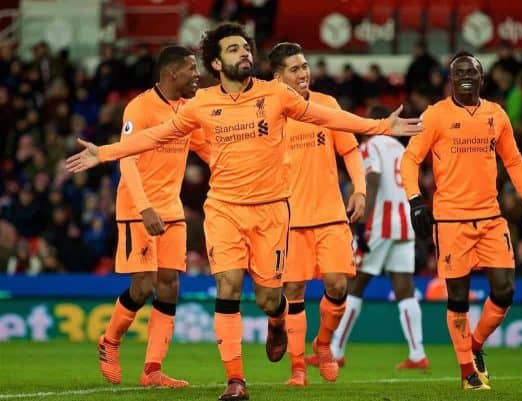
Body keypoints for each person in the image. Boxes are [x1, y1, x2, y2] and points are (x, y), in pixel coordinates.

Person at [66, 23, 422, 401]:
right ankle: (235, 380)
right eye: (235, 49)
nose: (245, 54)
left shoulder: (276, 95)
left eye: (246, 48)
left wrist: (382, 126)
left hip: (271, 213)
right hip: (223, 211)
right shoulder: (200, 103)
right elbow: (155, 136)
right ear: (217, 63)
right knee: (228, 287)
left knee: (270, 298)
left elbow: (328, 118)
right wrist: (104, 152)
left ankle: (277, 321)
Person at [400, 52, 522, 390]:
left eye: (472, 71)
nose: (465, 75)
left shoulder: (496, 114)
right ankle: (468, 371)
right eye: (458, 71)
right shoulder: (435, 115)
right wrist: (415, 200)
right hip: (451, 221)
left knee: (505, 290)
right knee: (459, 298)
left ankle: (475, 344)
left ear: (482, 78)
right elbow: (410, 159)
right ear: (451, 79)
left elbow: (515, 160)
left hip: (491, 217)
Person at [95, 46, 209, 388]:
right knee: (143, 286)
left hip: (171, 210)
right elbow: (126, 159)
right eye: (192, 69)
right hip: (136, 209)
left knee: (170, 286)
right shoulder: (140, 107)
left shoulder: (188, 108)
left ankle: (152, 370)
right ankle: (110, 341)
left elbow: (206, 147)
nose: (197, 75)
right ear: (172, 74)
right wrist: (144, 208)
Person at [267, 42, 366, 386]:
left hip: (330, 214)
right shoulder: (268, 114)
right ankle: (297, 368)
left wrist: (360, 189)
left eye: (305, 66)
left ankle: (323, 343)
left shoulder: (327, 105)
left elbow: (351, 151)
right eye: (295, 69)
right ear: (278, 77)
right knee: (293, 291)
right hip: (289, 219)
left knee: (338, 284)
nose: (304, 73)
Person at [326, 105, 429, 371]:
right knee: (404, 287)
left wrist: (360, 224)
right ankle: (417, 353)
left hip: (380, 224)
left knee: (356, 284)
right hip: (404, 222)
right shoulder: (400, 148)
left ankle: (335, 351)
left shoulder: (371, 145)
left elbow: (371, 181)